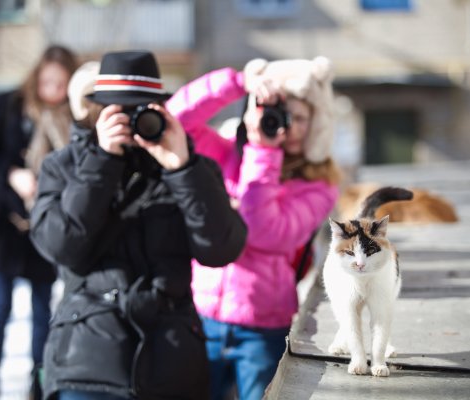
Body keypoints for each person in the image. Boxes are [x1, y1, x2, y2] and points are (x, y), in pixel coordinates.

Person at [28, 51, 248, 400]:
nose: (131, 122)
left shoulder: (189, 169)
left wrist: (182, 170)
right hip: (87, 363)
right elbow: (63, 247)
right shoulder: (64, 167)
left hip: (172, 367)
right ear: (97, 112)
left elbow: (221, 249)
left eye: (141, 110)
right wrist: (102, 162)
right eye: (119, 111)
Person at [166, 56, 341, 400]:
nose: (287, 125)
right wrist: (236, 82)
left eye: (299, 117)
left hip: (263, 327)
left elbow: (263, 232)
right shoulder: (227, 156)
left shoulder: (319, 185)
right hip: (201, 318)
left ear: (317, 123)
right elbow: (172, 123)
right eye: (278, 113)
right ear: (252, 112)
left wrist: (263, 151)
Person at [0, 45, 79, 400]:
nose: (52, 90)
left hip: (45, 230)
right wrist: (13, 174)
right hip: (3, 224)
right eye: (47, 81)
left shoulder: (74, 115)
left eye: (60, 83)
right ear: (36, 78)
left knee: (42, 311)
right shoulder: (10, 106)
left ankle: (39, 381)